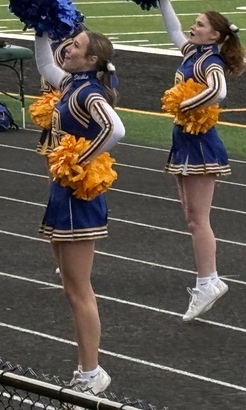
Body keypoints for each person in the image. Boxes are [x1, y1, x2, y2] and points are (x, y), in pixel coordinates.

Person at [34, 30, 124, 394]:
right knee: (71, 288)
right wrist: (40, 26)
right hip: (62, 194)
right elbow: (43, 61)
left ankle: (91, 373)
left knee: (78, 290)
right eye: (70, 42)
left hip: (77, 199)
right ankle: (86, 370)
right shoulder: (72, 83)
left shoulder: (87, 91)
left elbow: (115, 128)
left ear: (91, 61)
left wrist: (81, 160)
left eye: (77, 46)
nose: (69, 47)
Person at [158, 0, 246, 321]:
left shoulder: (209, 61)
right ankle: (207, 279)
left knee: (198, 219)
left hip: (199, 143)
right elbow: (173, 30)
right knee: (191, 218)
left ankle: (208, 281)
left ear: (215, 36)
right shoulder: (194, 51)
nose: (193, 28)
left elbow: (219, 91)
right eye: (195, 23)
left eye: (200, 24)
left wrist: (188, 104)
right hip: (184, 138)